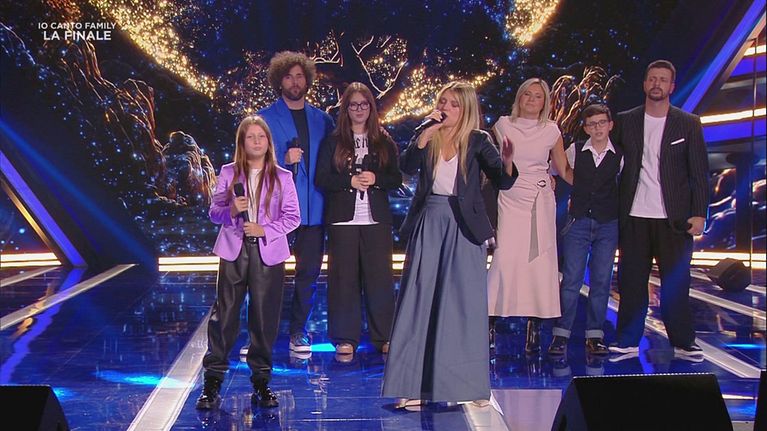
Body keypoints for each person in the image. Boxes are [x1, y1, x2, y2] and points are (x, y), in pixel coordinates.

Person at [382, 81, 516, 407]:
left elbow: (503, 180)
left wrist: (509, 161)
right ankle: (412, 387)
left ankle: (468, 388)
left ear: (466, 108)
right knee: (419, 301)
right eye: (443, 101)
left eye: (454, 104)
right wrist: (424, 136)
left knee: (464, 305)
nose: (446, 108)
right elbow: (405, 168)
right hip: (430, 220)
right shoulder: (427, 135)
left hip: (465, 226)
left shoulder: (478, 140)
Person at [196, 115, 300, 410]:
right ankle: (212, 382)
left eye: (261, 136)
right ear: (242, 142)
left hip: (268, 253)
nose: (256, 141)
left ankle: (262, 382)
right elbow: (213, 212)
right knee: (224, 316)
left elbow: (293, 217)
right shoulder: (229, 172)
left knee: (264, 319)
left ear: (268, 142)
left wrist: (264, 229)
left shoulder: (282, 176)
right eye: (250, 137)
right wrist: (231, 210)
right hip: (234, 250)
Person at [609, 60, 709, 359]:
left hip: (674, 219)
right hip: (634, 216)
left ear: (672, 86)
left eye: (663, 80)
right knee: (631, 282)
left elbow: (698, 172)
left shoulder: (688, 123)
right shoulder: (625, 120)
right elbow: (609, 161)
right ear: (644, 84)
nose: (657, 84)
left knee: (676, 284)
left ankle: (683, 341)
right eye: (652, 78)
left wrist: (699, 213)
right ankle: (627, 340)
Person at [315, 82, 401, 360]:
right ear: (346, 109)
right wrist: (348, 181)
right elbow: (321, 178)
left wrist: (376, 179)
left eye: (364, 104)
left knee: (380, 279)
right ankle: (345, 338)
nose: (359, 109)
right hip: (342, 221)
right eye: (353, 105)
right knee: (344, 281)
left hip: (376, 221)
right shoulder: (333, 142)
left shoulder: (383, 141)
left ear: (371, 108)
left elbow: (396, 178)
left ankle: (384, 335)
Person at [487, 77, 572, 354]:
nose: (532, 100)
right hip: (511, 197)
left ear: (544, 102)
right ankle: (490, 323)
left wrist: (592, 187)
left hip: (540, 198)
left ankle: (534, 329)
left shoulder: (551, 130)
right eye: (527, 95)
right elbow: (493, 164)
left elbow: (563, 168)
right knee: (505, 259)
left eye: (538, 96)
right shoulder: (503, 125)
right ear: (519, 97)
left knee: (539, 262)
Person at [257, 51, 335, 355]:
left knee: (308, 274)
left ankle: (298, 331)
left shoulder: (323, 120)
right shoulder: (264, 118)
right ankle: (260, 332)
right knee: (267, 273)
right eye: (288, 76)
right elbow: (252, 160)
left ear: (308, 80)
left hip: (314, 209)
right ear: (279, 81)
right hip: (277, 210)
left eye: (299, 76)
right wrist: (282, 158)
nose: (294, 82)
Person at [548, 104, 623, 357]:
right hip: (578, 221)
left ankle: (595, 335)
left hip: (608, 223)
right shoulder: (576, 150)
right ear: (585, 128)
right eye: (592, 124)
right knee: (571, 279)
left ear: (610, 125)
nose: (597, 128)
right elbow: (556, 170)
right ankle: (561, 335)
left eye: (602, 123)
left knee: (601, 280)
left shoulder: (620, 155)